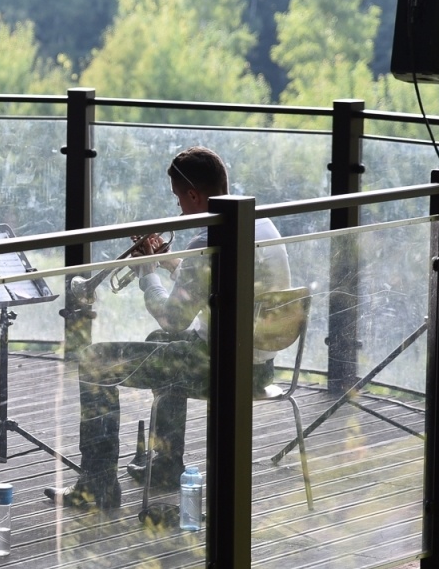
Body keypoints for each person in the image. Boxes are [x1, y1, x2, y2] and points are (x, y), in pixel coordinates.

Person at [47, 146, 292, 512]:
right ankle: (164, 466)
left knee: (95, 360)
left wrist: (147, 274)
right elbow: (209, 283)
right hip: (259, 367)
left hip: (219, 370)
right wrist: (166, 260)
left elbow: (172, 317)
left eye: (179, 199)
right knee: (162, 344)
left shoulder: (206, 240)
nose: (179, 208)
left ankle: (97, 486)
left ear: (193, 194)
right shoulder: (260, 223)